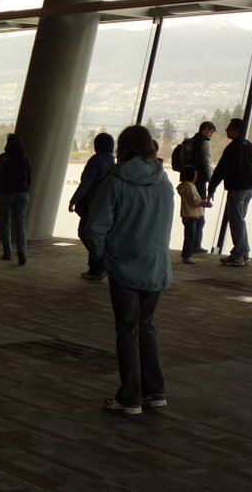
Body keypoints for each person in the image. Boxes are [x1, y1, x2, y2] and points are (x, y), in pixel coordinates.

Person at [86, 125, 174, 416]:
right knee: (146, 327)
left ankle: (130, 396)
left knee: (127, 330)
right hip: (156, 266)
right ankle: (154, 390)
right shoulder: (164, 182)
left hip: (124, 265)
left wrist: (101, 255)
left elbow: (94, 225)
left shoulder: (116, 181)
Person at [208, 117, 252, 267]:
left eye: (229, 127)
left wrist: (211, 189)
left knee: (236, 222)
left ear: (236, 131)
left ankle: (238, 255)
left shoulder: (232, 148)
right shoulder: (249, 146)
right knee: (240, 221)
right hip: (249, 188)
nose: (226, 129)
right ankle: (245, 253)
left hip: (237, 189)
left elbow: (221, 170)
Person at [69, 132, 116, 280]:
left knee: (85, 232)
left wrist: (74, 200)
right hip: (105, 204)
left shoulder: (96, 160)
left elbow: (87, 182)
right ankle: (95, 267)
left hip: (92, 203)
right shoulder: (112, 160)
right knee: (96, 234)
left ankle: (98, 264)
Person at [0, 133, 32, 265]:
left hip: (6, 193)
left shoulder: (3, 158)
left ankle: (7, 253)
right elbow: (29, 177)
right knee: (20, 224)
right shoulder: (25, 159)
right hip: (22, 193)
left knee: (5, 222)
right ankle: (22, 253)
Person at [186, 121, 216, 253]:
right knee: (200, 213)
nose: (211, 135)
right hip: (200, 182)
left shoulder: (190, 142)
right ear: (206, 129)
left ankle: (189, 244)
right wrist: (211, 182)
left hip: (188, 180)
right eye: (211, 132)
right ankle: (196, 244)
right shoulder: (204, 142)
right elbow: (207, 163)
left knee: (190, 212)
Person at [176, 165, 207, 264]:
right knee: (190, 237)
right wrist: (205, 203)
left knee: (189, 236)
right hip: (191, 214)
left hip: (186, 214)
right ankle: (187, 256)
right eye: (195, 174)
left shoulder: (183, 186)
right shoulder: (189, 186)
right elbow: (194, 201)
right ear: (191, 175)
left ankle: (187, 254)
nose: (196, 177)